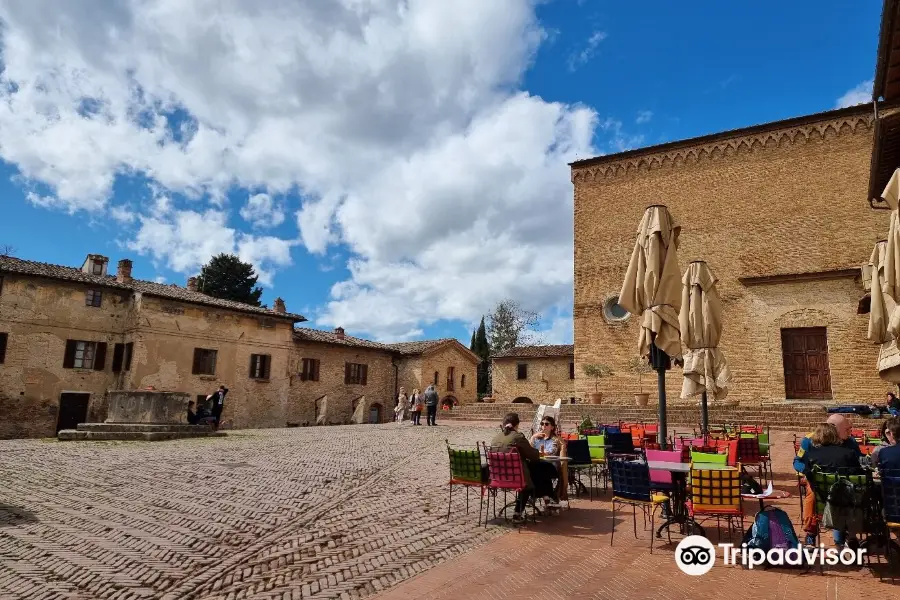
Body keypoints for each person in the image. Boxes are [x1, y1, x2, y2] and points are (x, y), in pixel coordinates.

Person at [799, 422, 865, 548]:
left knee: (812, 494)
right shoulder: (848, 453)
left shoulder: (813, 455)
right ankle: (850, 535)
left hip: (822, 497)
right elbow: (859, 473)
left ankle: (811, 534)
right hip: (846, 499)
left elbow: (808, 471)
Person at [490, 413, 560, 523]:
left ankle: (547, 498)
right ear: (517, 424)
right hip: (516, 477)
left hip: (499, 477)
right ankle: (546, 498)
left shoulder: (495, 438)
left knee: (535, 470)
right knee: (536, 472)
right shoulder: (518, 437)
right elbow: (533, 456)